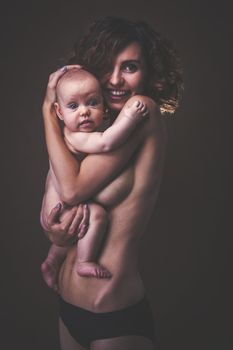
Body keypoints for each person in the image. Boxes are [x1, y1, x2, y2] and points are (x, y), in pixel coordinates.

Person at [40, 16, 183, 350]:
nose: (116, 79)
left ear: (149, 73)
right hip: (69, 306)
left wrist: (47, 111)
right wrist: (54, 234)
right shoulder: (93, 126)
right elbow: (62, 191)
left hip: (113, 313)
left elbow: (73, 189)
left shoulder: (140, 113)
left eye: (130, 67)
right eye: (107, 66)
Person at [41, 67, 148, 289]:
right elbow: (106, 142)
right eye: (73, 106)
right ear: (59, 113)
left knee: (77, 218)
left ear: (103, 104)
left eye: (92, 103)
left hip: (56, 204)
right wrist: (130, 118)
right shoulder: (75, 136)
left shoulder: (70, 134)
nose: (84, 112)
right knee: (95, 214)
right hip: (59, 204)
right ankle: (84, 261)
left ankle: (52, 261)